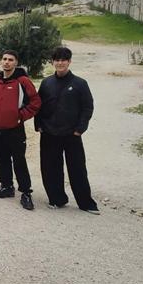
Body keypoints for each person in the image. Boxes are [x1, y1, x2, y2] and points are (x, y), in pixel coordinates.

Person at [36, 47, 99, 214]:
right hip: (49, 133)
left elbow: (87, 107)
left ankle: (86, 203)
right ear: (52, 62)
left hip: (72, 134)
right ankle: (57, 199)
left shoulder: (80, 83)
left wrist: (80, 129)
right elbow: (39, 105)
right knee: (50, 168)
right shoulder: (46, 83)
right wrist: (39, 125)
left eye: (63, 60)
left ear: (69, 62)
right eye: (57, 60)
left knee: (77, 169)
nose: (60, 63)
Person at [0, 50, 41, 210]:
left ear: (16, 62)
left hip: (14, 129)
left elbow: (35, 102)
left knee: (19, 161)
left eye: (10, 59)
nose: (7, 62)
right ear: (1, 61)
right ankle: (7, 186)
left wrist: (20, 116)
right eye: (4, 59)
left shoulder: (23, 81)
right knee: (1, 159)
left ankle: (26, 192)